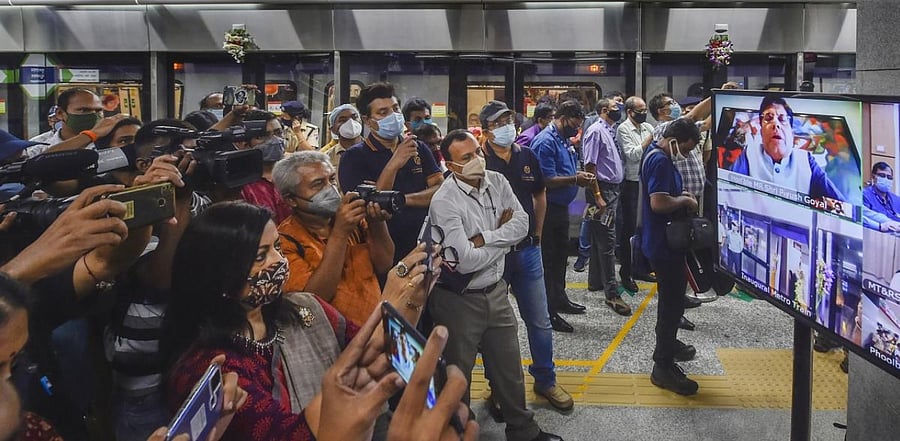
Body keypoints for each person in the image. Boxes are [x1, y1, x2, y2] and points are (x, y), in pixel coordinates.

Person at [161, 201, 434, 441]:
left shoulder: (305, 308)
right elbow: (290, 435)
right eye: (260, 256)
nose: (278, 261)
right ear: (219, 274)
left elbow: (374, 352)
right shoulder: (211, 369)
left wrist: (411, 298)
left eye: (277, 247)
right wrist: (388, 307)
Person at [428, 129, 562, 441]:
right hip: (458, 299)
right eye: (466, 157)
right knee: (456, 374)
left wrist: (487, 239)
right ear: (450, 165)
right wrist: (505, 239)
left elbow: (522, 224)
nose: (476, 160)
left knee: (509, 367)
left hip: (496, 290)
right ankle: (458, 431)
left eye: (477, 152)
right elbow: (464, 261)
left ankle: (523, 430)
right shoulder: (444, 201)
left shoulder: (497, 182)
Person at [480, 101, 574, 411]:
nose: (508, 125)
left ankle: (545, 380)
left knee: (539, 320)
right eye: (499, 122)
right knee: (494, 326)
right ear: (486, 130)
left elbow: (539, 193)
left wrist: (538, 233)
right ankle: (498, 388)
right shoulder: (478, 161)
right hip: (493, 255)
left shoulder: (526, 154)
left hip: (527, 250)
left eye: (509, 119)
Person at [274, 151, 394, 325]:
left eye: (331, 179)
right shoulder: (285, 241)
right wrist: (339, 234)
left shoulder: (354, 221)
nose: (330, 189)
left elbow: (384, 264)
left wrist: (376, 222)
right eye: (318, 184)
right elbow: (313, 300)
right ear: (291, 200)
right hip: (328, 338)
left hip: (371, 328)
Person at [339, 82, 444, 263]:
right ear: (367, 121)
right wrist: (394, 163)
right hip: (382, 253)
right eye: (383, 112)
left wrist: (401, 199)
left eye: (395, 109)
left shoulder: (418, 147)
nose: (393, 116)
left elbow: (440, 189)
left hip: (423, 245)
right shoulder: (353, 158)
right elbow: (373, 207)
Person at [640, 118, 705, 396]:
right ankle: (663, 366)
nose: (687, 155)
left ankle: (668, 343)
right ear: (674, 140)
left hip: (660, 242)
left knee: (671, 301)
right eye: (687, 149)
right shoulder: (661, 161)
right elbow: (659, 202)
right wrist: (685, 201)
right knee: (671, 304)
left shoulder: (654, 153)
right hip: (665, 245)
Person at [531, 100, 595, 332]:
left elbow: (564, 170)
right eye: (574, 125)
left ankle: (560, 298)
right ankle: (549, 312)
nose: (576, 130)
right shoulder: (545, 143)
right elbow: (546, 180)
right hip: (548, 210)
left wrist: (575, 174)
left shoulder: (563, 140)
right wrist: (575, 179)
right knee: (548, 261)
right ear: (563, 117)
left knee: (560, 258)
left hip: (561, 209)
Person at [730, 96, 844, 201]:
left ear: (791, 132)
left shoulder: (806, 160)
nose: (776, 124)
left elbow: (841, 206)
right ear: (761, 131)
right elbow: (729, 194)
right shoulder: (749, 154)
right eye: (768, 118)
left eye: (782, 119)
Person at [581, 98, 634, 313]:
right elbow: (590, 165)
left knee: (598, 237)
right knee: (607, 241)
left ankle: (595, 281)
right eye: (615, 107)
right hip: (602, 191)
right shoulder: (596, 131)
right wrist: (597, 195)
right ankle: (612, 294)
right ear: (604, 110)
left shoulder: (609, 130)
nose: (619, 110)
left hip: (611, 190)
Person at [616, 96, 656, 287]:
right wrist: (648, 142)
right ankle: (626, 272)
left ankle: (642, 267)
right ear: (630, 112)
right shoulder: (623, 129)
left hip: (647, 180)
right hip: (631, 183)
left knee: (646, 227)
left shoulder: (648, 127)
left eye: (645, 110)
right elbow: (632, 155)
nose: (644, 113)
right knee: (629, 229)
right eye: (640, 110)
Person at [24, 88, 129, 158]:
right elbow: (43, 162)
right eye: (84, 110)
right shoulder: (37, 147)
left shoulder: (111, 142)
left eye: (98, 111)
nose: (93, 116)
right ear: (60, 114)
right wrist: (91, 135)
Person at [237, 110, 292, 224]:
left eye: (278, 133)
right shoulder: (240, 183)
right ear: (245, 143)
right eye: (263, 136)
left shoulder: (296, 173)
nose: (274, 140)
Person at [319, 104, 363, 172]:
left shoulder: (375, 151)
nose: (350, 122)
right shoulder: (326, 158)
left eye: (354, 118)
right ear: (333, 129)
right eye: (343, 120)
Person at [862, 162, 900, 231]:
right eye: (882, 175)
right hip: (875, 234)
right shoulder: (864, 195)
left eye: (889, 177)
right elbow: (863, 218)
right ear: (873, 177)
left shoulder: (896, 200)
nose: (886, 179)